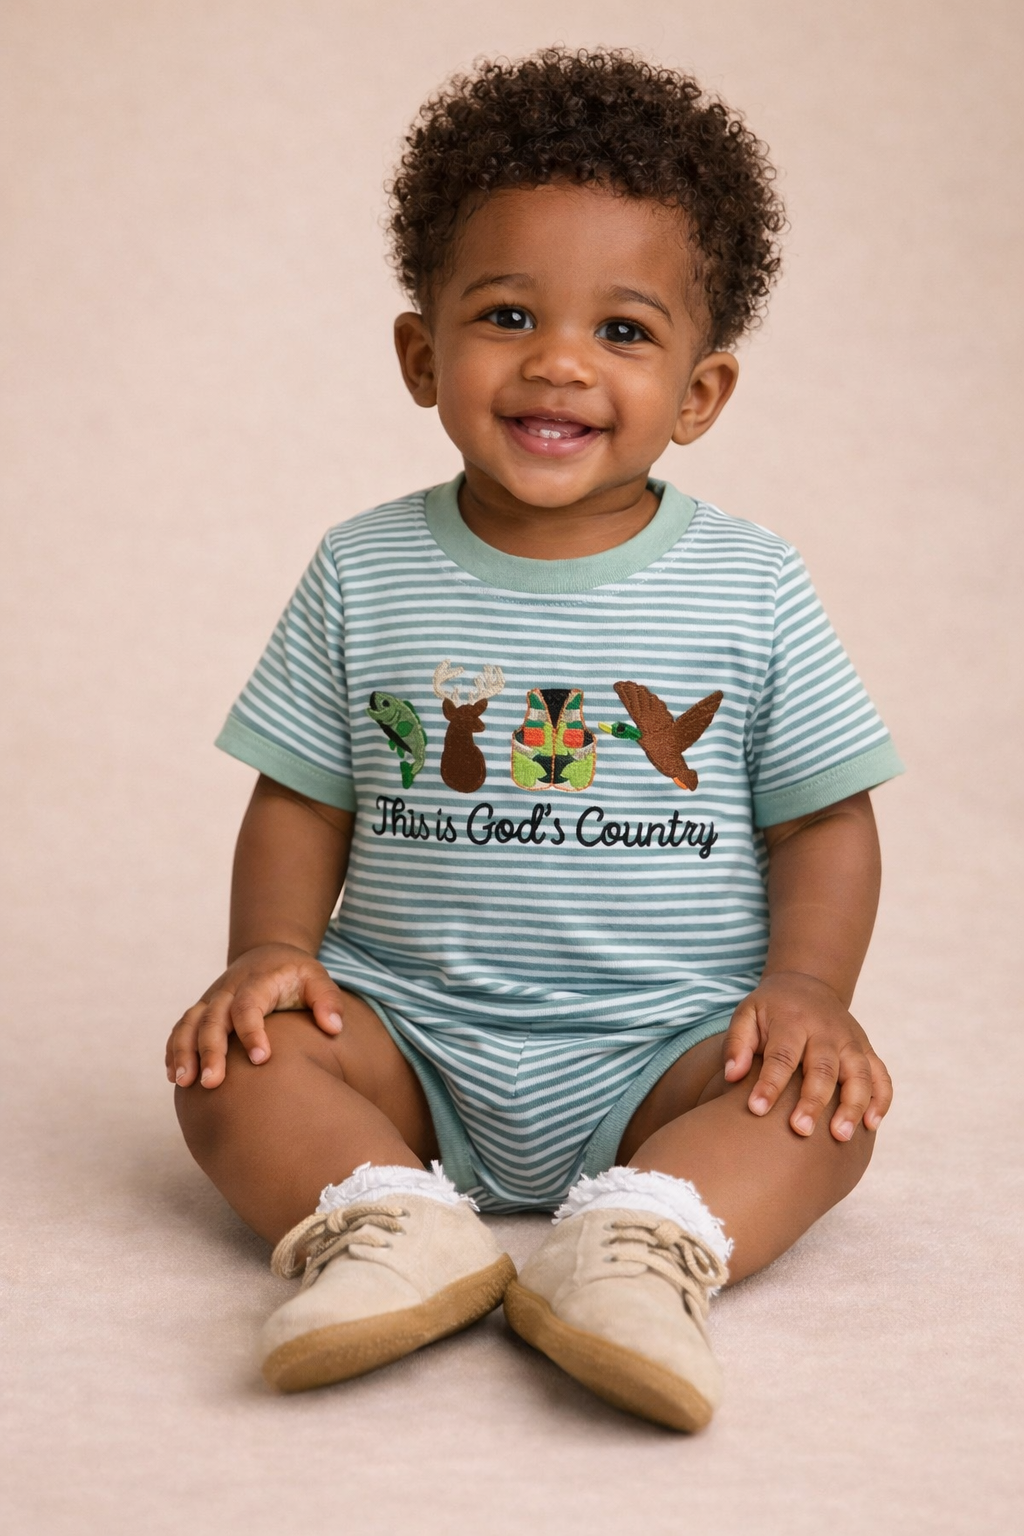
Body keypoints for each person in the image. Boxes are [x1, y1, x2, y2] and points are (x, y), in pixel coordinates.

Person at [168, 47, 901, 1432]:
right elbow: (301, 799)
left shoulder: (752, 585)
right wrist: (268, 956)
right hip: (406, 1043)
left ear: (700, 392)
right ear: (421, 351)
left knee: (821, 1111)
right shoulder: (361, 570)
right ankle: (387, 1220)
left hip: (670, 1048)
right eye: (507, 313)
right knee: (230, 1067)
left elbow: (823, 818)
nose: (559, 360)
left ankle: (645, 1243)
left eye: (624, 331)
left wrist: (806, 989)